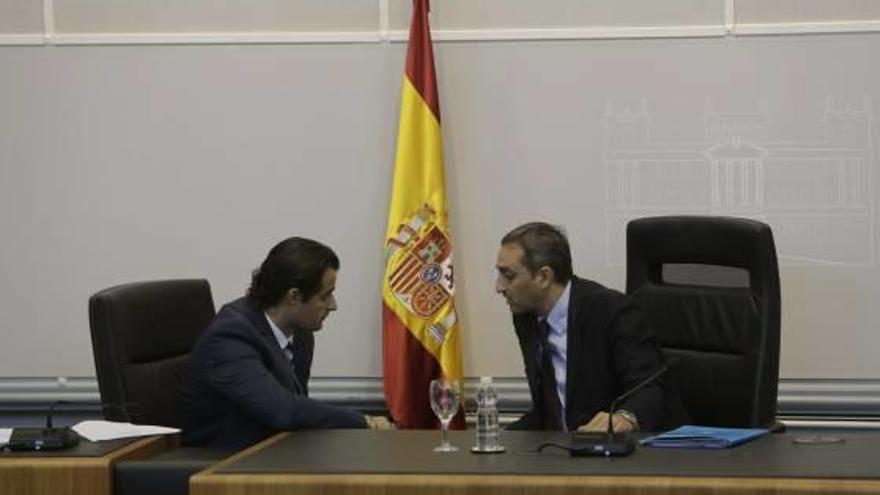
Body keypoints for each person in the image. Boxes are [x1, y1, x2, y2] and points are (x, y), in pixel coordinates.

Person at [182, 237, 392, 449]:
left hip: (278, 452)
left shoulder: (301, 332)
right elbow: (284, 410)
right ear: (294, 297)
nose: (333, 306)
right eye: (325, 296)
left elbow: (298, 408)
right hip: (221, 467)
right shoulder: (230, 336)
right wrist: (364, 422)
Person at [495, 222, 686, 432]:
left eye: (508, 275)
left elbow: (650, 390)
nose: (499, 287)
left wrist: (624, 418)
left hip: (633, 452)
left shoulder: (612, 311)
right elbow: (551, 409)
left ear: (544, 277)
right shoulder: (527, 317)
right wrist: (501, 438)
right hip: (565, 452)